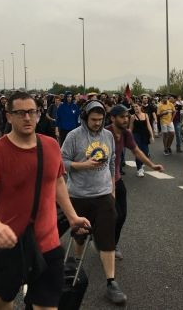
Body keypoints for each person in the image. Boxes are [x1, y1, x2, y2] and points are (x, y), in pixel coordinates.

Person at [0, 92, 90, 310]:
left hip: (48, 242)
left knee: (46, 306)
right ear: (8, 116)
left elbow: (57, 183)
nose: (27, 118)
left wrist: (72, 217)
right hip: (9, 243)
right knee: (3, 302)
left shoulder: (51, 146)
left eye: (32, 112)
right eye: (20, 113)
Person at [60, 100, 127, 305]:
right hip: (78, 196)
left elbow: (112, 163)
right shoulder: (73, 136)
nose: (97, 123)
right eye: (93, 120)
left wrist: (113, 190)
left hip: (103, 195)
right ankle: (78, 268)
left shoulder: (108, 136)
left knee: (107, 238)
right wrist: (83, 165)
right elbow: (61, 163)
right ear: (84, 118)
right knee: (80, 236)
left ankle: (111, 282)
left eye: (100, 120)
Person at [107, 104, 164, 258]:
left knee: (122, 215)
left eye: (127, 116)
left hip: (117, 179)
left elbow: (136, 150)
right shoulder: (105, 134)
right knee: (110, 215)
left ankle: (113, 243)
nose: (126, 119)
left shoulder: (126, 134)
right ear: (113, 118)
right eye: (122, 117)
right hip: (102, 182)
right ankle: (104, 240)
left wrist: (152, 165)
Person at [129, 102, 154, 177]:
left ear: (140, 107)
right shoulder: (133, 117)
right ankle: (139, 169)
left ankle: (142, 163)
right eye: (134, 107)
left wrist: (152, 135)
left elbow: (149, 125)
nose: (135, 108)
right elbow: (130, 128)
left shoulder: (146, 115)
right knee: (138, 152)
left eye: (137, 106)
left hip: (145, 135)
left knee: (146, 152)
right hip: (136, 136)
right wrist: (129, 138)